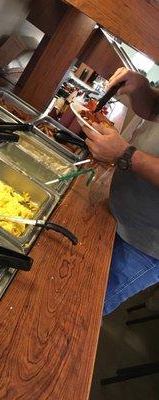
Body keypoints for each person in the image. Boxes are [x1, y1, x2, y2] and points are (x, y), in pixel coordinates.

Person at [83, 67, 159, 315]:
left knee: (79, 310)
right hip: (117, 208)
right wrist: (141, 88)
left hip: (145, 244)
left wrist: (125, 154)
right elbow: (154, 108)